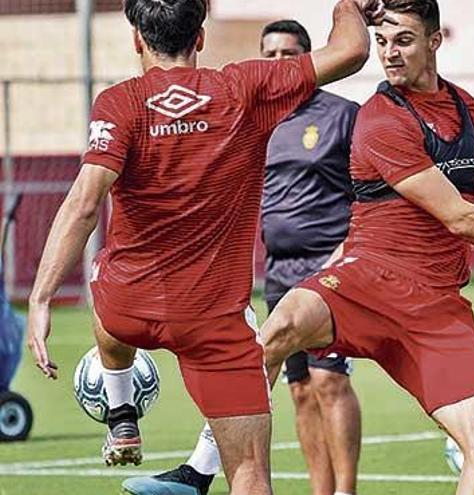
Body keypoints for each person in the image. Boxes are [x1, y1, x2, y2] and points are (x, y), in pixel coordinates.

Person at [24, 1, 382, 494]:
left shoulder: (118, 103)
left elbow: (85, 204)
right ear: (199, 38)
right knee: (251, 471)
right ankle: (180, 454)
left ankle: (121, 405)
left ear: (136, 40)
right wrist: (348, 5)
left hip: (128, 305)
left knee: (103, 294)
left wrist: (41, 299)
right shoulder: (246, 87)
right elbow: (352, 50)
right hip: (213, 321)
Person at [253, 1, 474, 493]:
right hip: (367, 280)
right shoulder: (378, 120)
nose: (389, 53)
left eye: (404, 40)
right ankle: (213, 471)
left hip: (435, 304)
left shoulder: (466, 107)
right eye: (384, 41)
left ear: (435, 41)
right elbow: (459, 217)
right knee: (276, 331)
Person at [123, 19, 363, 495]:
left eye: (289, 54)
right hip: (278, 269)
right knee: (296, 388)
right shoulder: (255, 115)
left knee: (327, 378)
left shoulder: (342, 114)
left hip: (329, 267)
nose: (278, 63)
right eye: (268, 54)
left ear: (308, 59)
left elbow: (370, 187)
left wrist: (348, 249)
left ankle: (344, 490)